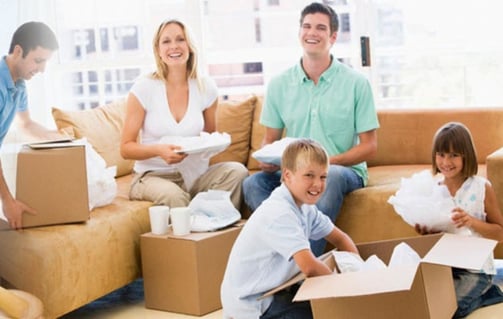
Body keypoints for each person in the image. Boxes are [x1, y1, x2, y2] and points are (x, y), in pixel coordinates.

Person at [242, 2, 379, 256]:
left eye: (320, 28)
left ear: (333, 37)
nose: (311, 33)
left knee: (331, 177)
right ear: (299, 33)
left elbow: (369, 146)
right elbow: (269, 140)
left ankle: (302, 274)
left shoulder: (356, 83)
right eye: (306, 26)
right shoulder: (279, 84)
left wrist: (326, 164)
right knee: (253, 185)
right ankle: (290, 255)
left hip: (341, 171)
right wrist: (268, 161)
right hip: (295, 172)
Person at [221, 139, 359, 319]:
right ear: (287, 176)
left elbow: (341, 239)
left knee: (331, 306)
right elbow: (309, 267)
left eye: (323, 176)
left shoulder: (305, 208)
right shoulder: (279, 213)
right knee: (330, 312)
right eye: (309, 175)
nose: (317, 184)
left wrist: (359, 272)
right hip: (254, 305)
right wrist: (347, 290)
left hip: (274, 291)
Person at [120, 19, 248, 210]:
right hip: (152, 176)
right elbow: (126, 148)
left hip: (194, 176)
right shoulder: (144, 88)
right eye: (166, 41)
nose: (174, 46)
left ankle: (210, 227)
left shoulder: (206, 87)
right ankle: (196, 227)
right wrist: (159, 150)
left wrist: (208, 147)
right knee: (176, 197)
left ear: (190, 46)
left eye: (180, 39)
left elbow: (209, 138)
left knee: (237, 172)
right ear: (158, 50)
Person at [415, 122, 503, 318]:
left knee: (450, 311)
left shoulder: (481, 187)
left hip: (476, 268)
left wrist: (471, 221)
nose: (446, 161)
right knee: (425, 305)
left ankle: (489, 293)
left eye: (454, 155)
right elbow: (435, 234)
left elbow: (500, 233)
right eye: (441, 154)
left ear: (466, 155)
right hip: (443, 266)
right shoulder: (433, 188)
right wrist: (425, 231)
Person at [1, 21, 61, 229]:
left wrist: (58, 137)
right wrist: (7, 201)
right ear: (18, 51)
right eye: (38, 60)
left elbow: (26, 124)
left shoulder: (18, 84)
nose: (42, 70)